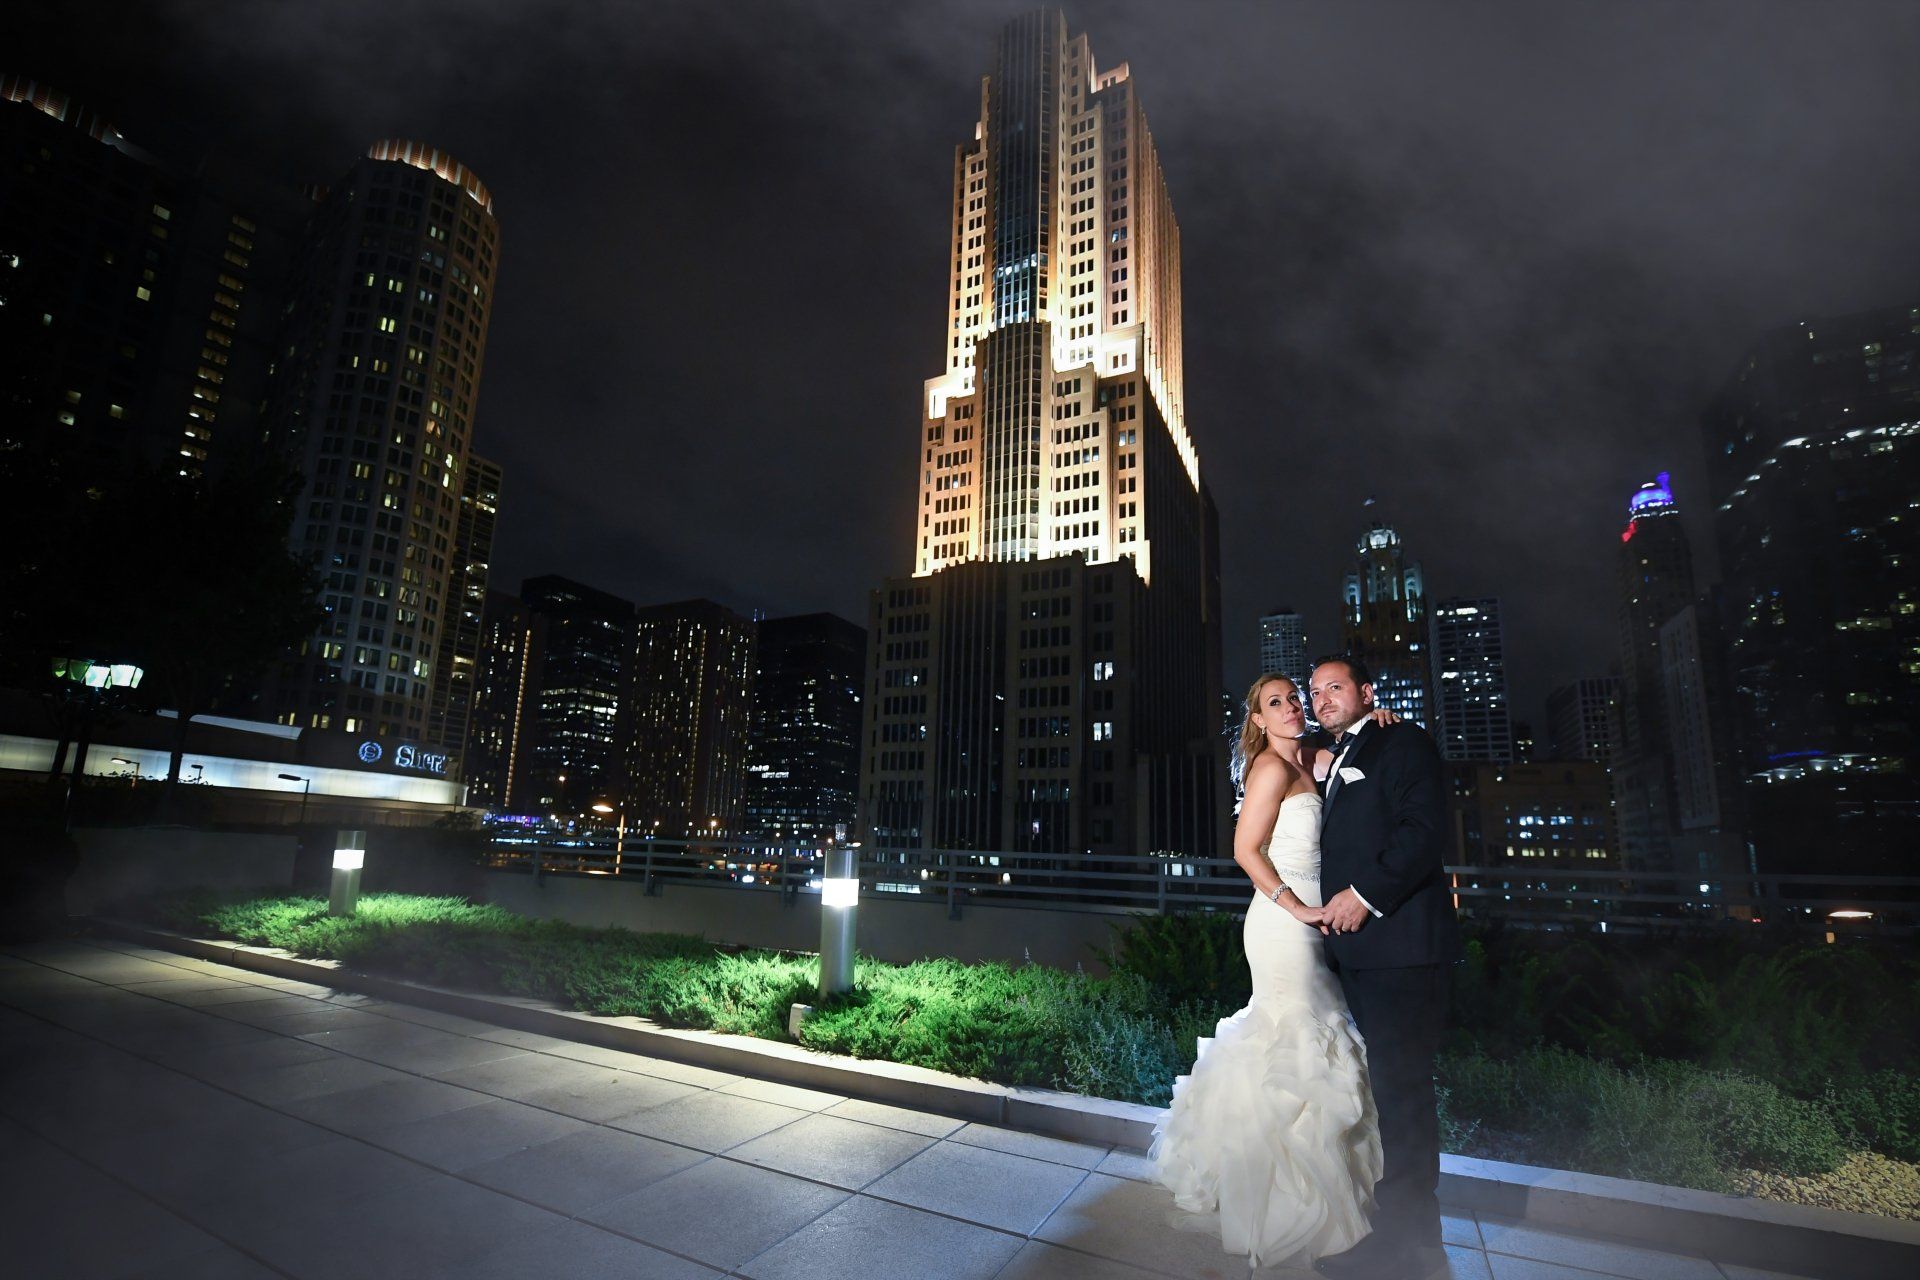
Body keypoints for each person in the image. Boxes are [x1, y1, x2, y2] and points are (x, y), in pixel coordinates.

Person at [1151, 674, 1385, 1269]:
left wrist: (1380, 721)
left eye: (1295, 699)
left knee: (1302, 1037)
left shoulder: (1310, 758)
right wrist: (1297, 905)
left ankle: (1306, 1182)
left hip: (1314, 922)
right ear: (1257, 719)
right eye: (1275, 703)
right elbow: (1244, 850)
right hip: (1284, 924)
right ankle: (1287, 1198)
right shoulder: (1271, 770)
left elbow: (1357, 752)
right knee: (1298, 1041)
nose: (1291, 708)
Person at [1306, 655, 1461, 1280]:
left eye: (1334, 687)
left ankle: (1408, 1246)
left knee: (1404, 1094)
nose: (1321, 699)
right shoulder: (1335, 754)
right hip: (1360, 957)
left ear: (1368, 692)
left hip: (1399, 949)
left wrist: (1362, 895)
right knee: (1389, 1095)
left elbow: (1422, 833)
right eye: (1313, 692)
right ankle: (1409, 1236)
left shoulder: (1403, 741)